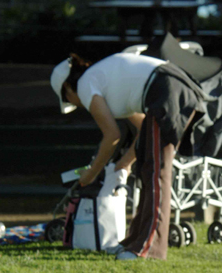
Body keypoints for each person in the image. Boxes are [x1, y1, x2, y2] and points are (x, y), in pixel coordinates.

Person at [50, 52, 208, 260]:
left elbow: (112, 136)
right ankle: (133, 242)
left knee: (156, 172)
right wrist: (124, 163)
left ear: (68, 88)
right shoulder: (103, 83)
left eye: (68, 99)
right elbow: (142, 128)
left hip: (167, 90)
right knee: (147, 167)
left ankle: (149, 249)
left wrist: (91, 173)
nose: (76, 103)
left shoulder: (85, 84)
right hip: (169, 89)